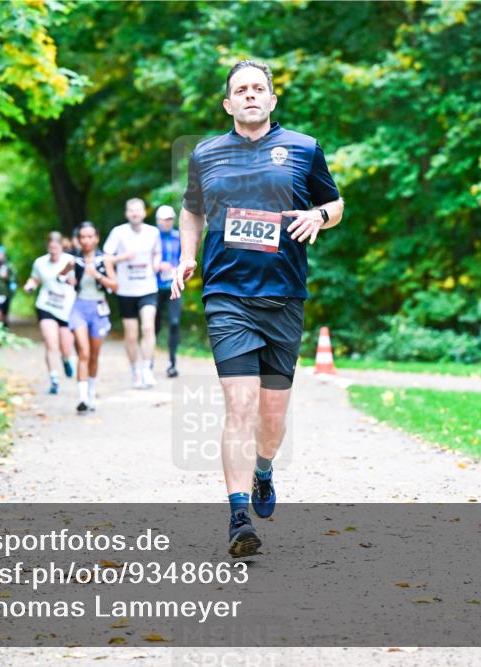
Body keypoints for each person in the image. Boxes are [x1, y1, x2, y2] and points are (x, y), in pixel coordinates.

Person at [171, 60, 344, 557]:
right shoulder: (206, 154)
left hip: (284, 295)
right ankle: (238, 515)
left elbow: (335, 205)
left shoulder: (304, 149)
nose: (250, 95)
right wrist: (186, 255)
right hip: (227, 294)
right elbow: (192, 209)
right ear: (228, 104)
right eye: (240, 90)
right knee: (239, 406)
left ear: (272, 100)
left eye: (258, 89)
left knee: (271, 419)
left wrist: (317, 216)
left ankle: (264, 469)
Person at [103, 198, 161, 389]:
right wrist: (122, 259)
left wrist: (156, 264)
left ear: (144, 213)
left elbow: (157, 253)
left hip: (147, 288)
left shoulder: (153, 232)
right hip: (126, 290)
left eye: (138, 210)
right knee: (131, 335)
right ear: (126, 213)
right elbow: (106, 258)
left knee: (148, 328)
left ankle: (147, 369)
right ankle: (135, 370)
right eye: (131, 210)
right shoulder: (118, 232)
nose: (135, 213)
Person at [61, 222, 118, 414]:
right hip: (79, 308)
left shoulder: (104, 260)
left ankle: (91, 394)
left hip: (99, 309)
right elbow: (59, 276)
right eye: (82, 237)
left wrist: (97, 275)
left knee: (94, 355)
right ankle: (82, 398)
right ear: (78, 239)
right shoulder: (74, 260)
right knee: (83, 353)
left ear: (96, 238)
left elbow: (115, 286)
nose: (86, 240)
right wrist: (66, 276)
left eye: (89, 236)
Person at [24, 232, 77, 394]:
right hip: (46, 306)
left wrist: (70, 280)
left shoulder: (70, 261)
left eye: (56, 248)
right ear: (47, 247)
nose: (53, 251)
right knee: (50, 342)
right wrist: (29, 285)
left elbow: (77, 281)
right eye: (51, 248)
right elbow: (35, 279)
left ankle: (66, 359)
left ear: (62, 246)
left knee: (66, 348)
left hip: (66, 308)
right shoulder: (40, 263)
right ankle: (54, 379)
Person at [154, 204, 182, 378]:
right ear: (158, 221)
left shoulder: (179, 237)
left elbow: (185, 258)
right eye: (164, 219)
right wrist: (157, 266)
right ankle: (148, 362)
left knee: (174, 323)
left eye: (170, 219)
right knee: (153, 325)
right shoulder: (151, 237)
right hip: (153, 287)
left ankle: (172, 362)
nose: (167, 222)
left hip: (173, 285)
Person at [0, 245, 17, 326]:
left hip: (5, 294)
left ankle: (4, 331)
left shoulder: (9, 266)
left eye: (1, 254)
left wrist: (6, 277)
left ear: (4, 255)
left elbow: (14, 279)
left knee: (4, 316)